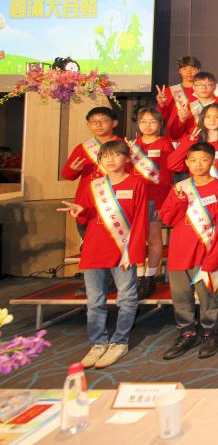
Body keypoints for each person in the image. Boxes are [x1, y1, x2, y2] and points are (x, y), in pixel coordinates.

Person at [57, 140, 147, 369]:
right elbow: (86, 212)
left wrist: (135, 251)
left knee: (126, 297)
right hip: (94, 248)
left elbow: (140, 221)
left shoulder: (137, 184)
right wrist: (80, 211)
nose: (110, 159)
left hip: (123, 249)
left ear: (127, 159)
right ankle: (97, 343)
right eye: (105, 156)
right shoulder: (94, 185)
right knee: (95, 300)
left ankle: (119, 341)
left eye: (116, 154)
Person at [158, 142, 218, 360]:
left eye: (204, 160)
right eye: (193, 160)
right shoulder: (180, 187)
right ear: (187, 163)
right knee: (181, 295)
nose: (198, 164)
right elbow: (167, 219)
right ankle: (187, 332)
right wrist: (179, 202)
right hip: (179, 251)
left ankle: (209, 332)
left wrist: (215, 256)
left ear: (212, 162)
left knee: (207, 296)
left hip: (205, 250)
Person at [128, 107, 174, 300]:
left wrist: (163, 203)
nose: (148, 126)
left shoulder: (165, 144)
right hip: (134, 199)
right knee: (137, 238)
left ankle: (150, 277)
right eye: (143, 121)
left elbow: (167, 176)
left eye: (152, 121)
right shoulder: (132, 145)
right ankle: (139, 276)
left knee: (154, 236)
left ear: (160, 124)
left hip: (155, 197)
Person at [61, 106, 123, 200]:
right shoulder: (82, 148)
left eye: (104, 121)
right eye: (94, 122)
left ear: (114, 123)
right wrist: (73, 169)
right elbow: (67, 176)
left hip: (116, 196)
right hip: (89, 195)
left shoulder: (125, 145)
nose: (98, 125)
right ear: (88, 125)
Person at [156, 55, 201, 140]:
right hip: (175, 137)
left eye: (192, 69)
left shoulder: (205, 91)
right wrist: (161, 104)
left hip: (199, 136)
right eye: (184, 69)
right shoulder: (170, 91)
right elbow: (160, 118)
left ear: (199, 70)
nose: (188, 72)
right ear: (180, 71)